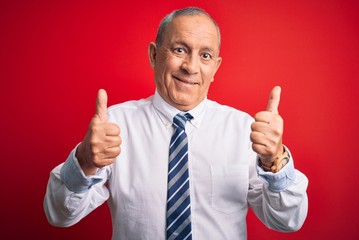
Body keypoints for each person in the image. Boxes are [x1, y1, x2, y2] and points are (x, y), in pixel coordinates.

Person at [44, 7, 308, 240]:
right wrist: (84, 163)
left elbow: (287, 221)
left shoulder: (243, 130)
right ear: (154, 55)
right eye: (180, 49)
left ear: (215, 68)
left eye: (205, 56)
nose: (191, 67)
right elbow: (60, 215)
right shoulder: (114, 125)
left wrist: (275, 162)